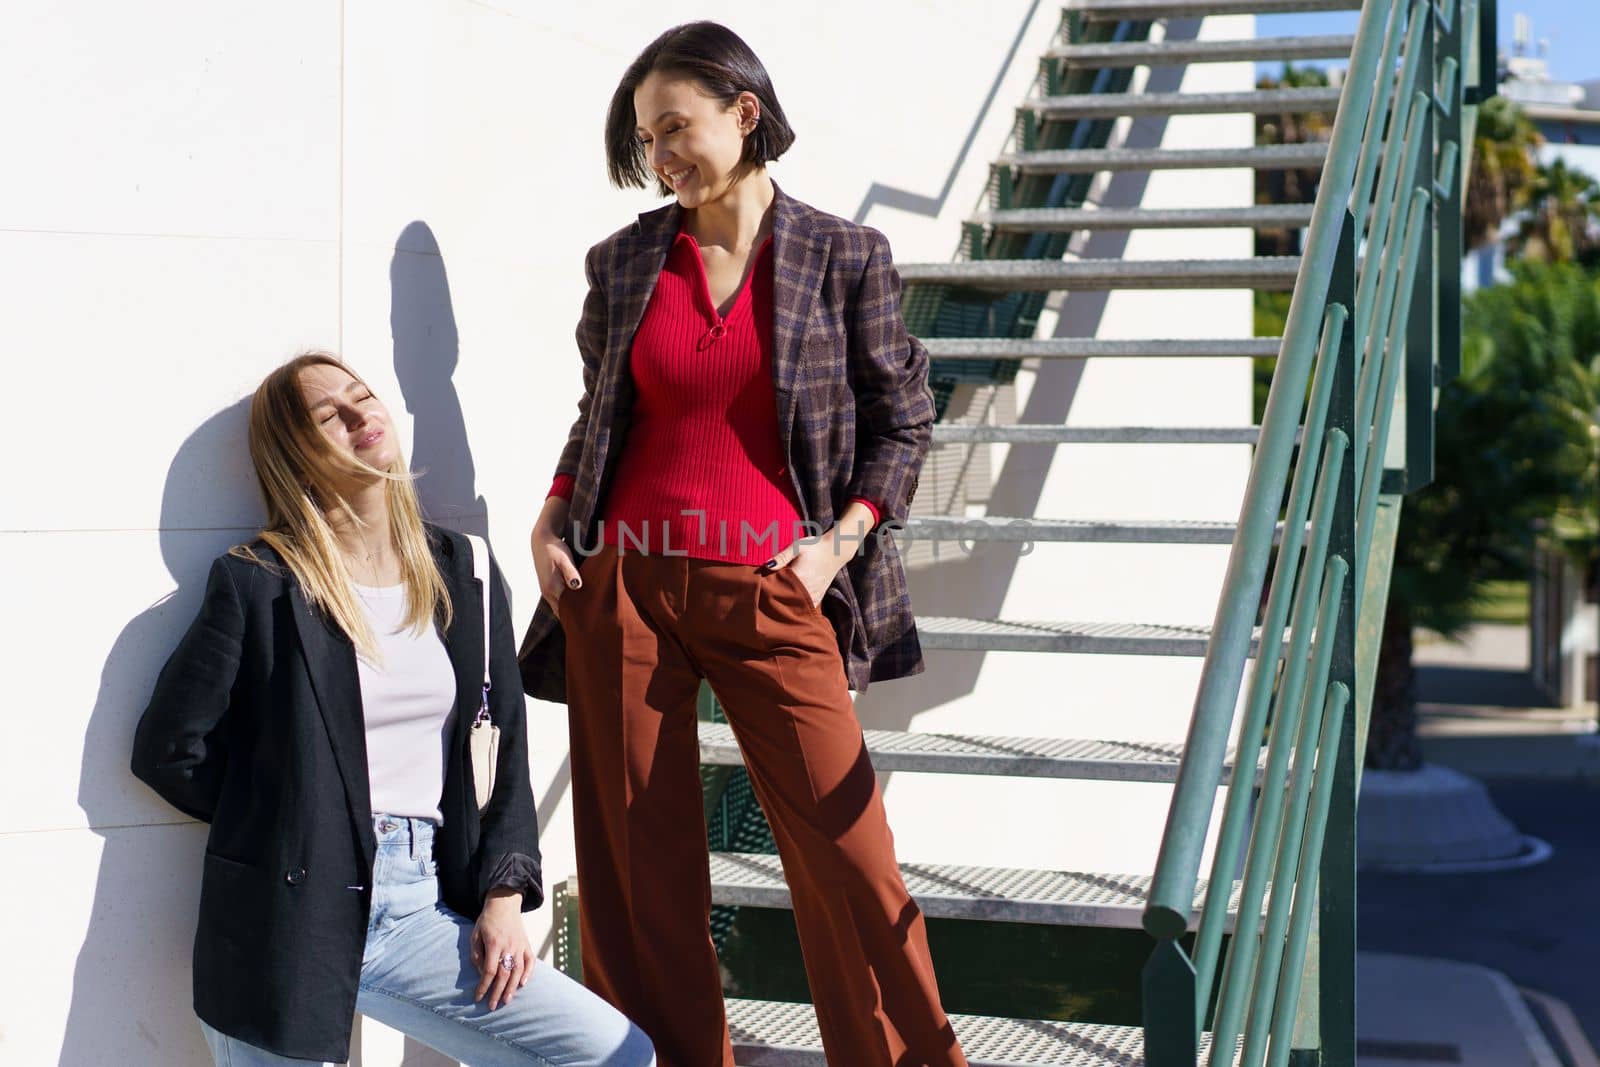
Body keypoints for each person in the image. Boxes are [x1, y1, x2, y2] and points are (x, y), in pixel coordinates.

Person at [516, 21, 968, 1067]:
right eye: (645, 139)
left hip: (772, 584)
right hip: (621, 584)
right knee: (636, 865)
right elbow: (601, 413)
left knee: (849, 855)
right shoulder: (627, 259)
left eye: (675, 126)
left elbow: (904, 420)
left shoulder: (843, 254)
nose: (660, 154)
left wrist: (836, 546)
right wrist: (549, 514)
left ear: (744, 113)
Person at [131, 352, 654, 1066]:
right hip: (286, 921)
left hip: (420, 906)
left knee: (613, 1052)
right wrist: (292, 819)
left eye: (362, 396)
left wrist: (505, 890)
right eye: (328, 416)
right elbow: (170, 747)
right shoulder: (261, 582)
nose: (359, 416)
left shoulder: (464, 569)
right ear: (298, 456)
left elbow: (501, 746)